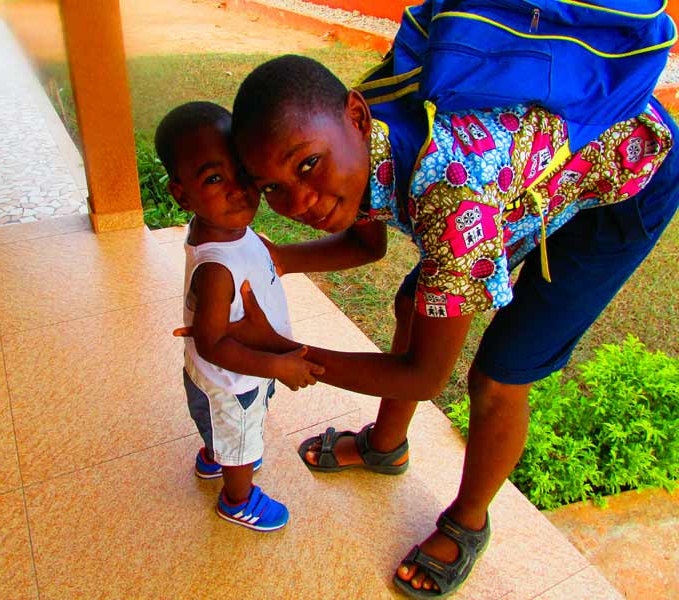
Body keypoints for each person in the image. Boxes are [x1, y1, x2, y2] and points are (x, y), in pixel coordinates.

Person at [197, 54, 676, 595]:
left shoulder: (450, 200)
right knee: (414, 303)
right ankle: (386, 446)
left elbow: (424, 378)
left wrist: (282, 350)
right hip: (523, 173)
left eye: (306, 167)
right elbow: (364, 241)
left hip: (629, 168)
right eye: (273, 189)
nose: (300, 202)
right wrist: (281, 258)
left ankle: (468, 523)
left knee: (499, 374)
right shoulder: (347, 136)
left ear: (357, 116)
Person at [155, 101, 324, 532]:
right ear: (181, 193)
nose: (237, 189)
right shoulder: (215, 268)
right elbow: (213, 344)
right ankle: (237, 497)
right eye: (214, 178)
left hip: (236, 376)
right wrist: (278, 365)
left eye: (242, 174)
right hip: (232, 384)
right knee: (241, 439)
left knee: (229, 434)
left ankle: (216, 455)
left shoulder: (226, 229)